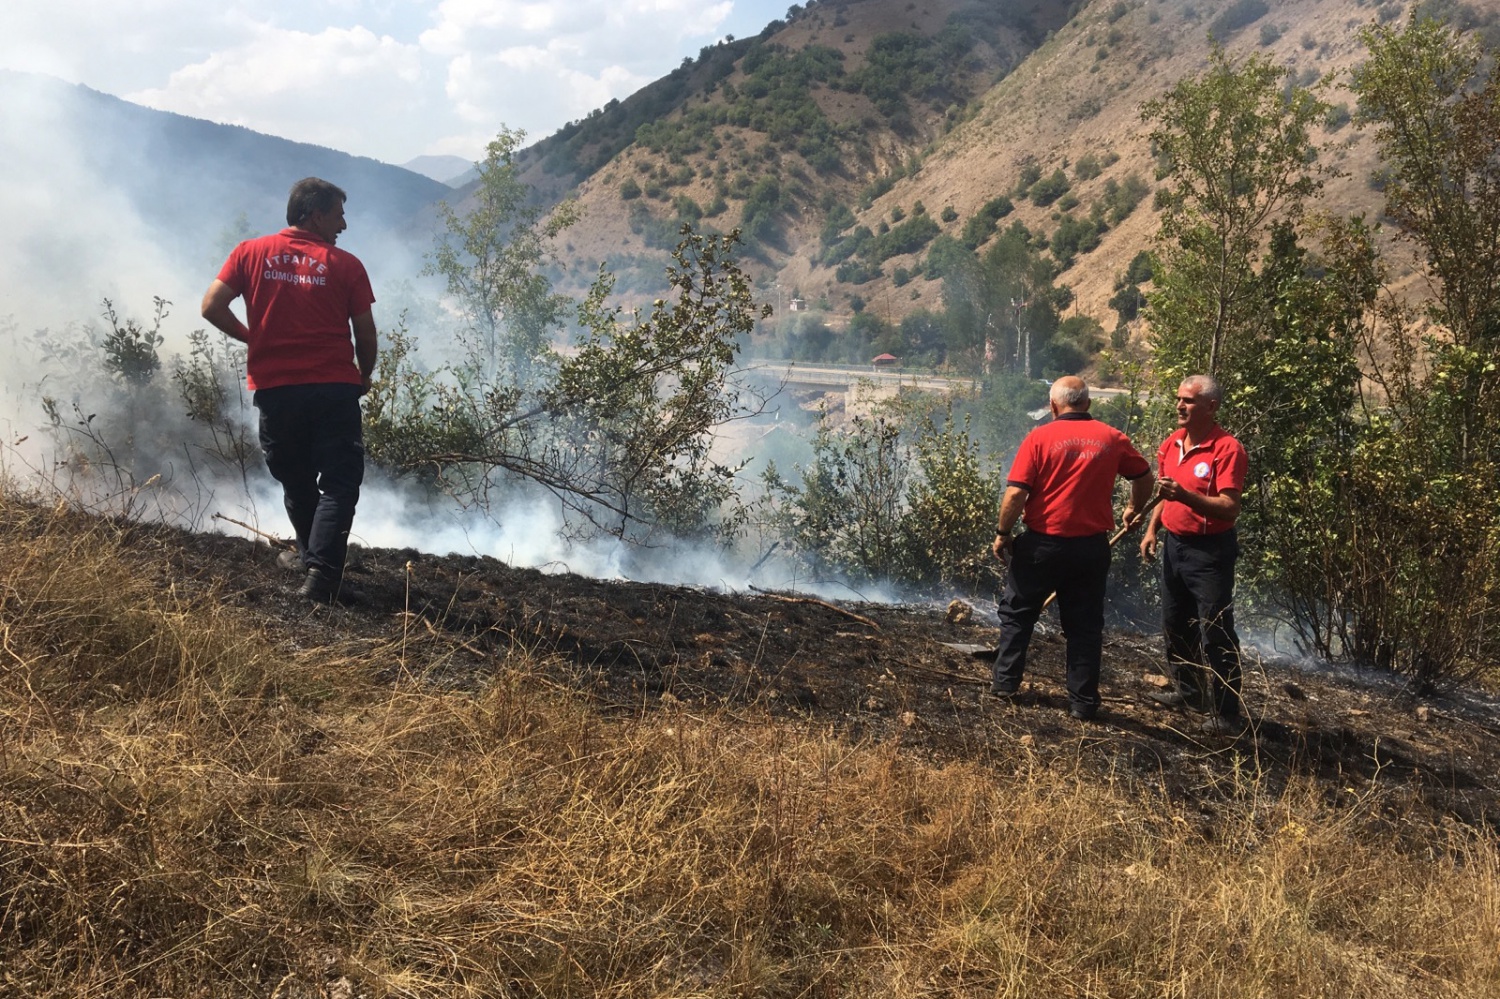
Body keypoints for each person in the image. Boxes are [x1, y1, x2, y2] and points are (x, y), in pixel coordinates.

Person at [201, 177, 378, 603]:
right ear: (315, 215)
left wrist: (253, 338)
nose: (344, 225)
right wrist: (365, 372)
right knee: (339, 481)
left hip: (277, 388)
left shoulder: (249, 253)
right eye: (338, 215)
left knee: (296, 479)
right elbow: (365, 332)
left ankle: (310, 560)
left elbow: (211, 306)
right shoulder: (345, 265)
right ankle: (321, 577)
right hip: (333, 388)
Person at [991, 376, 1153, 720]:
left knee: (1018, 614)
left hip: (1041, 546)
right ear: (1088, 404)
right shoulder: (1112, 438)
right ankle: (1082, 703)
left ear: (1053, 406)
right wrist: (1133, 509)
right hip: (1090, 550)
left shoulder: (1039, 437)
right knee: (1084, 627)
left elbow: (1017, 493)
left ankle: (1005, 684)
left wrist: (1003, 532)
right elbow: (1143, 476)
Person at [1139, 374, 1249, 735]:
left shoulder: (1227, 449)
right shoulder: (1171, 444)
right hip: (1174, 544)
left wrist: (1185, 496)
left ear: (1211, 407)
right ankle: (1189, 692)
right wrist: (1153, 529)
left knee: (1215, 630)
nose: (1179, 406)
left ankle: (1227, 712)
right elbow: (1164, 494)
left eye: (1188, 401)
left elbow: (1229, 508)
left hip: (1210, 552)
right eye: (1179, 399)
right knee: (1175, 623)